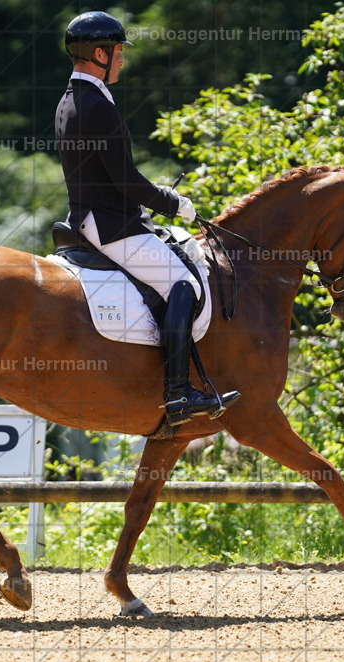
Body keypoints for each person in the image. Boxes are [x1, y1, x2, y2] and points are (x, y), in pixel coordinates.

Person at [55, 11, 239, 428]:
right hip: (111, 225)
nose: (122, 60)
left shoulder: (71, 98)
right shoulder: (96, 105)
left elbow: (107, 176)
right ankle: (178, 394)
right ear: (99, 53)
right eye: (118, 52)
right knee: (185, 285)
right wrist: (172, 203)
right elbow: (124, 180)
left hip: (94, 217)